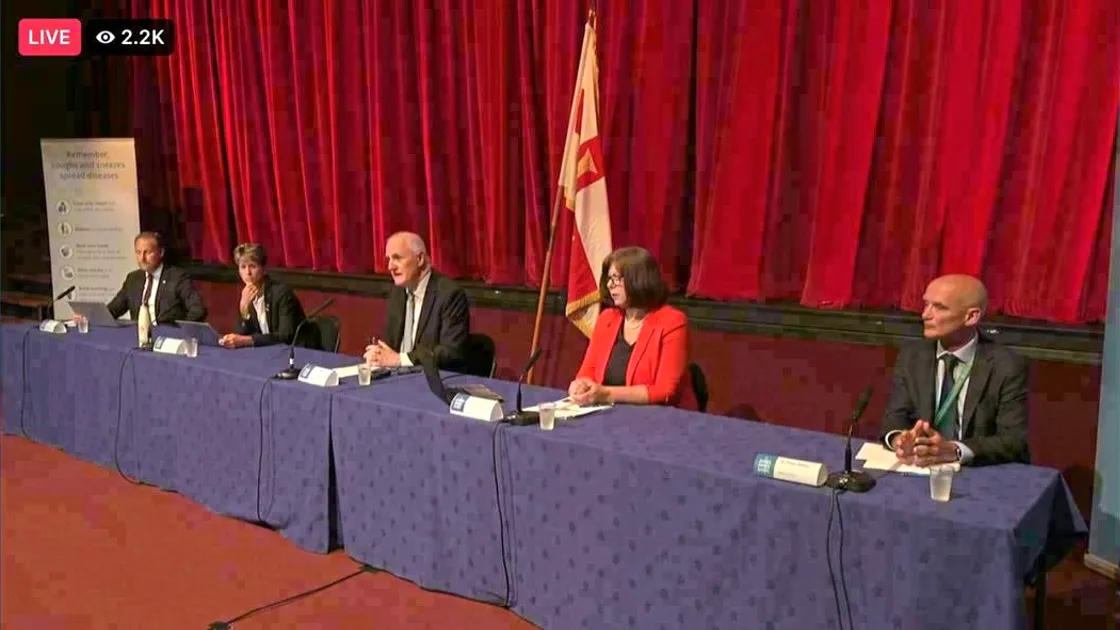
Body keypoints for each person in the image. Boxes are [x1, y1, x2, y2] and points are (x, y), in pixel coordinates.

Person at [880, 274, 1029, 466]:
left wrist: (955, 450)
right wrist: (899, 439)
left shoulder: (1006, 365)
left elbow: (1013, 440)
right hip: (922, 466)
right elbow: (895, 417)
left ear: (971, 316)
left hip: (977, 469)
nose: (925, 314)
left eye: (939, 307)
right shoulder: (913, 356)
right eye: (926, 304)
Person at [567, 246, 695, 409]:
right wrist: (580, 385)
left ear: (639, 280)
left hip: (660, 415)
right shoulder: (607, 318)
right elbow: (588, 371)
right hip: (609, 412)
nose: (610, 285)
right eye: (609, 279)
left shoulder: (672, 321)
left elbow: (665, 391)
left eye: (616, 279)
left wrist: (606, 394)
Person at [363, 231, 470, 370]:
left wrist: (400, 359)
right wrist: (378, 353)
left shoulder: (449, 294)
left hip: (431, 377)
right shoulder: (397, 292)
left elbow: (450, 351)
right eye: (389, 259)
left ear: (420, 259)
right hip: (397, 377)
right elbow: (391, 345)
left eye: (397, 258)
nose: (390, 267)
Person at [104, 231, 207, 323]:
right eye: (138, 252)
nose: (142, 258)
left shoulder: (177, 277)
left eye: (148, 252)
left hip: (167, 336)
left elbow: (198, 310)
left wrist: (180, 332)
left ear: (161, 253)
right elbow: (113, 310)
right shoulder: (133, 279)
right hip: (139, 335)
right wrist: (96, 317)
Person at [218, 243, 306, 348]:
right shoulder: (246, 296)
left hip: (297, 351)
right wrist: (244, 311)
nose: (247, 272)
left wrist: (247, 340)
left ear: (264, 269)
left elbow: (286, 336)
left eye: (253, 266)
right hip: (268, 352)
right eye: (243, 267)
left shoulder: (281, 294)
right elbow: (241, 335)